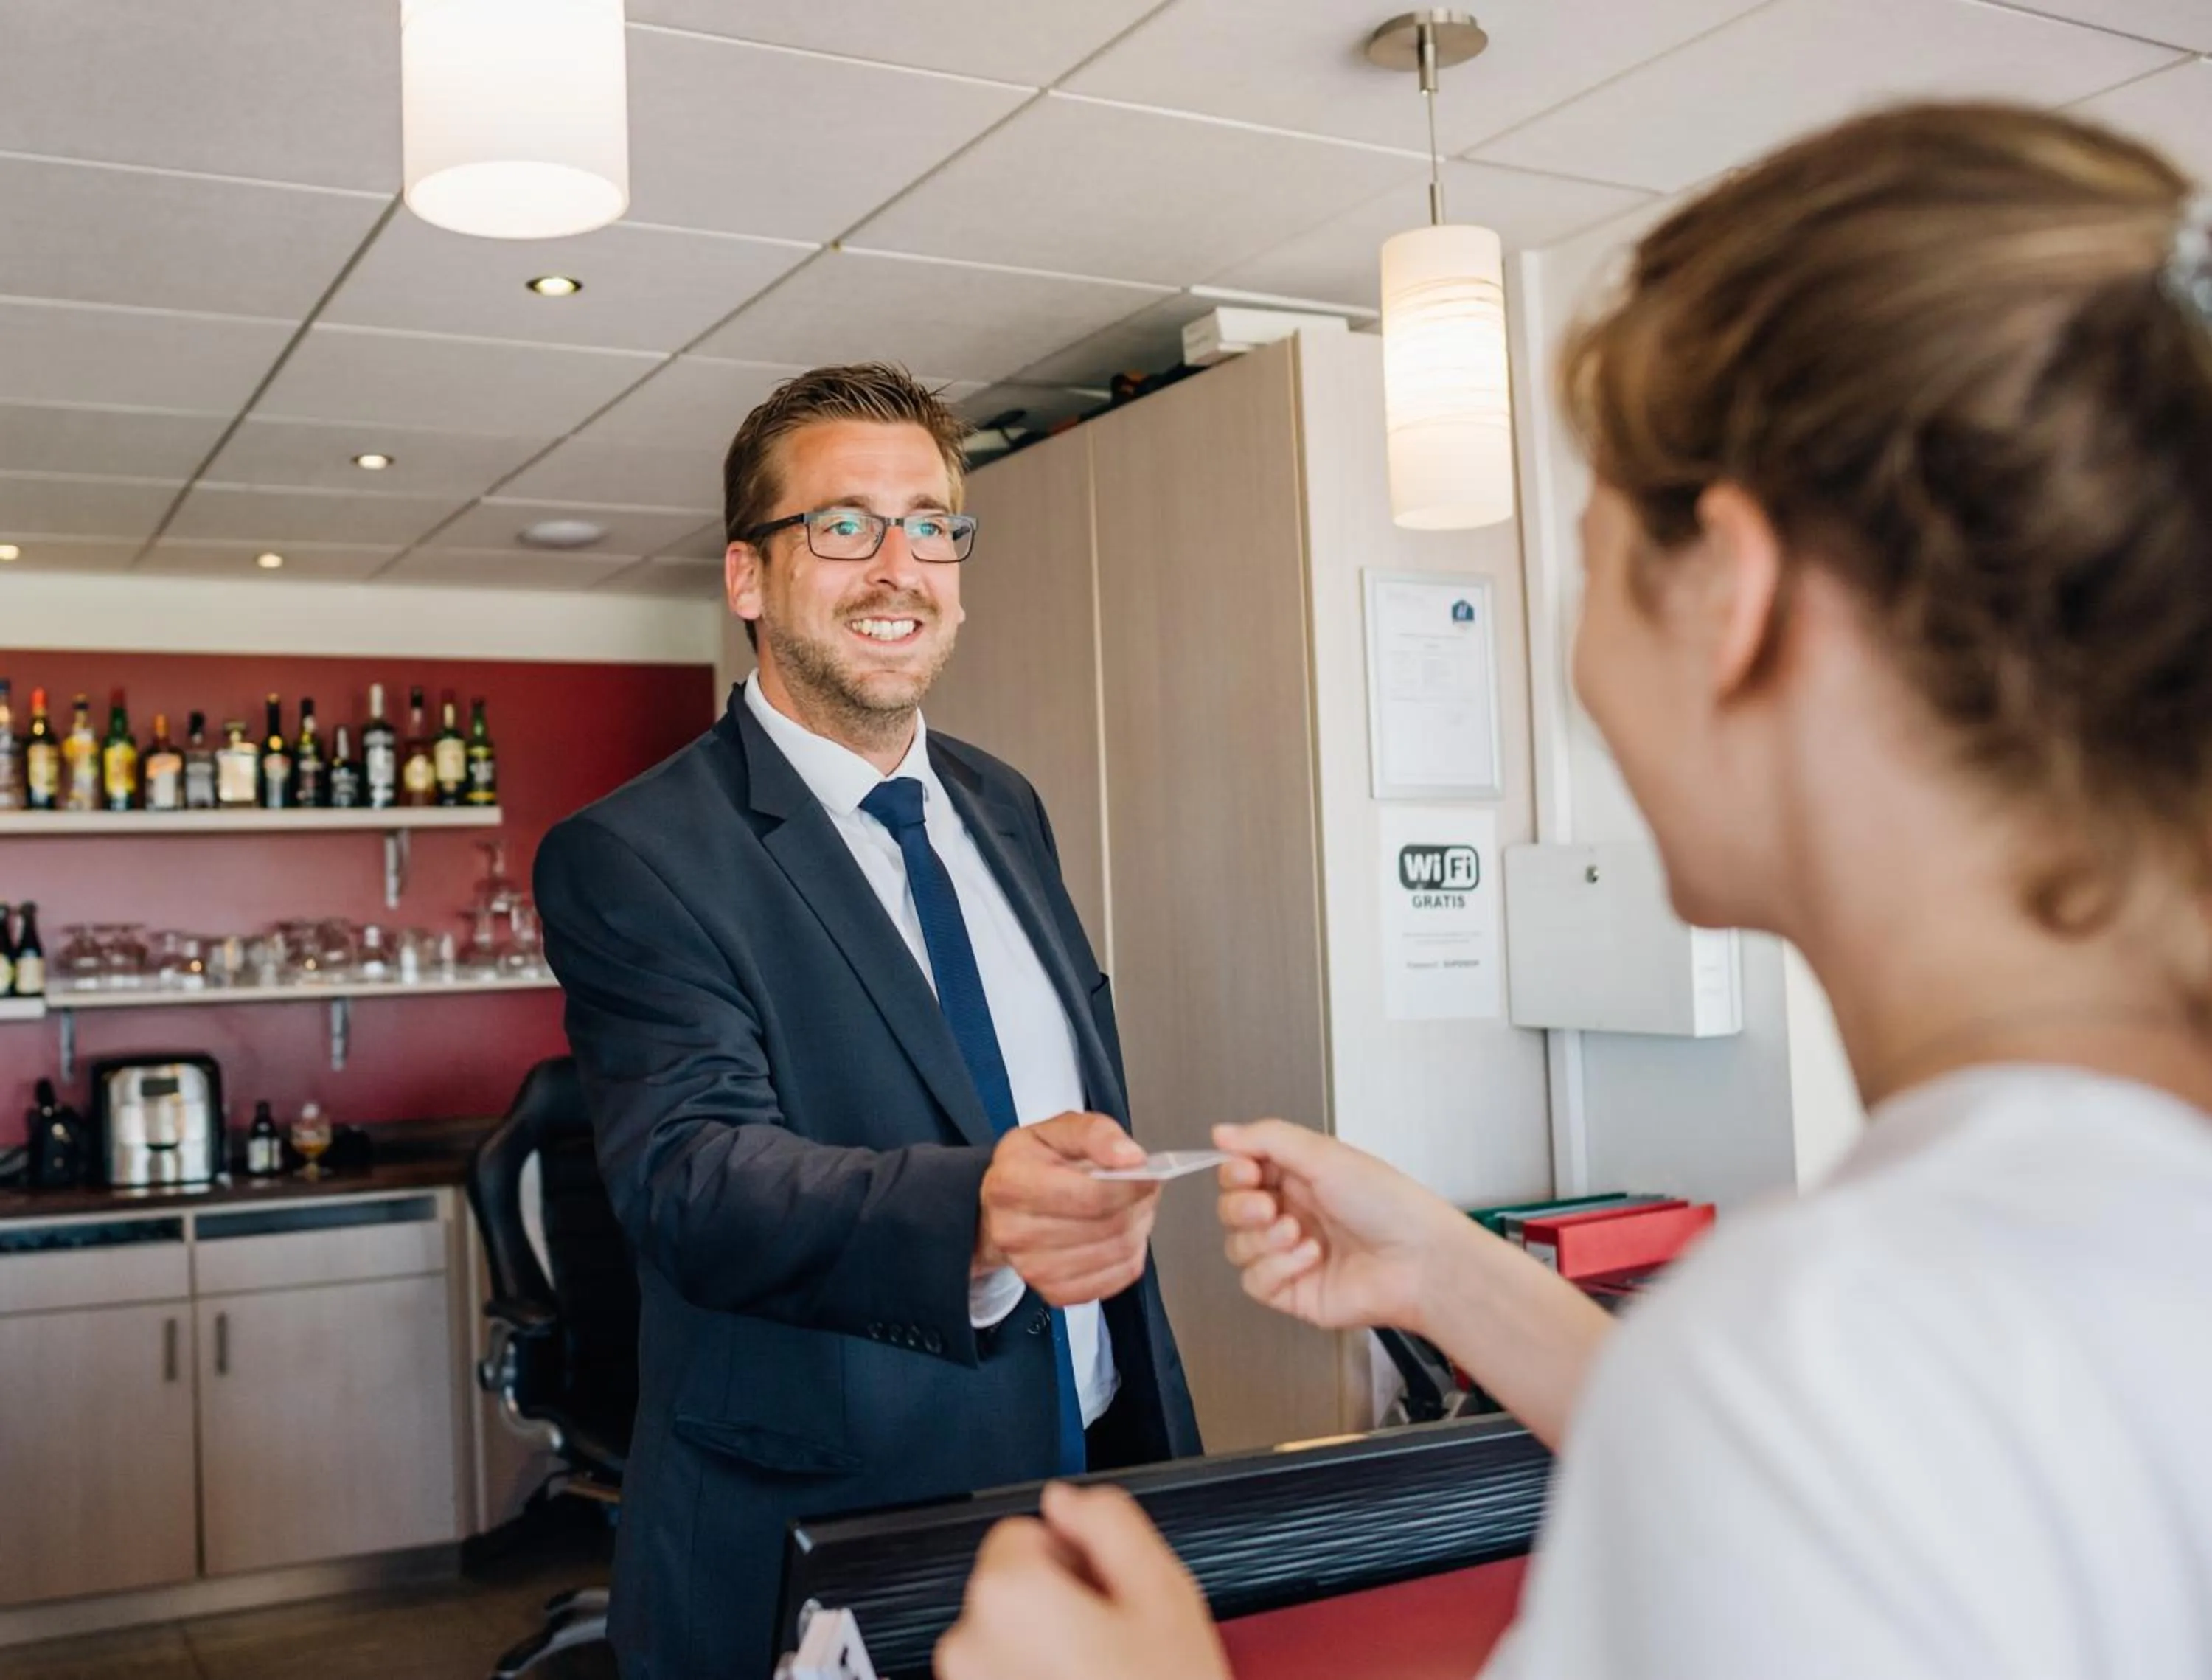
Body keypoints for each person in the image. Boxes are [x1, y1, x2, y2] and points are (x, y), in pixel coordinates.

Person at [936, 103, 2212, 1680]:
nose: (1583, 669)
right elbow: (1831, 1503)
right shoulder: (1982, 1300)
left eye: (1594, 562)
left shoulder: (1840, 1339)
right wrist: (1447, 1269)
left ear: (1733, 596)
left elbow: (1820, 1457)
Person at [535, 363, 1200, 1680]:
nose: (899, 567)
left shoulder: (1004, 804)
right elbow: (693, 1177)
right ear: (748, 576)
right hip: (830, 1527)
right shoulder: (635, 854)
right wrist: (981, 1212)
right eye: (844, 525)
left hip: (1088, 1465)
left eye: (931, 526)